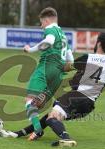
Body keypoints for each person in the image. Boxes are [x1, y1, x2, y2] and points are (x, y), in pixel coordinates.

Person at [0, 32, 105, 147]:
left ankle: (66, 138)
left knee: (52, 117)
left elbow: (67, 67)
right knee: (51, 117)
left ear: (98, 43)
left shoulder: (87, 58)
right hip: (88, 105)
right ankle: (20, 133)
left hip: (76, 96)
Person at [21, 7, 73, 140]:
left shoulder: (50, 30)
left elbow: (48, 41)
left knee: (29, 100)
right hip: (57, 75)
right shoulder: (63, 35)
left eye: (42, 23)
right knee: (37, 104)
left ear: (47, 20)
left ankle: (38, 130)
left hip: (45, 69)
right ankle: (36, 128)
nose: (41, 26)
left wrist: (30, 50)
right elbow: (70, 60)